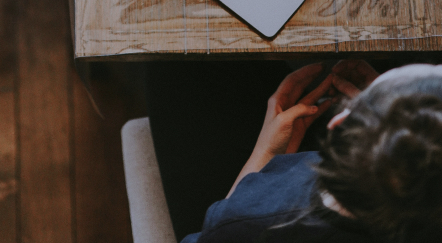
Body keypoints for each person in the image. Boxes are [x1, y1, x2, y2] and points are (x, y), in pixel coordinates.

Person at [146, 59, 442, 242]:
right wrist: (392, 124)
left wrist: (265, 153)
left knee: (173, 69)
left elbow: (209, 235)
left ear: (340, 124)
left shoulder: (251, 221)